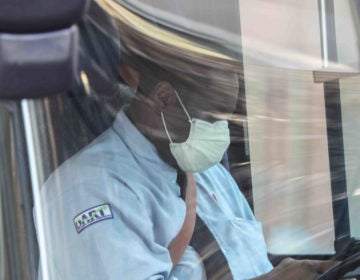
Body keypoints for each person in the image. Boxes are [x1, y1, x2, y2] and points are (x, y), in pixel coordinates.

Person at [35, 3, 336, 279]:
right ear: (164, 98)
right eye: (210, 118)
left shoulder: (208, 173)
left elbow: (249, 265)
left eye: (225, 121)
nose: (219, 134)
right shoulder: (91, 190)